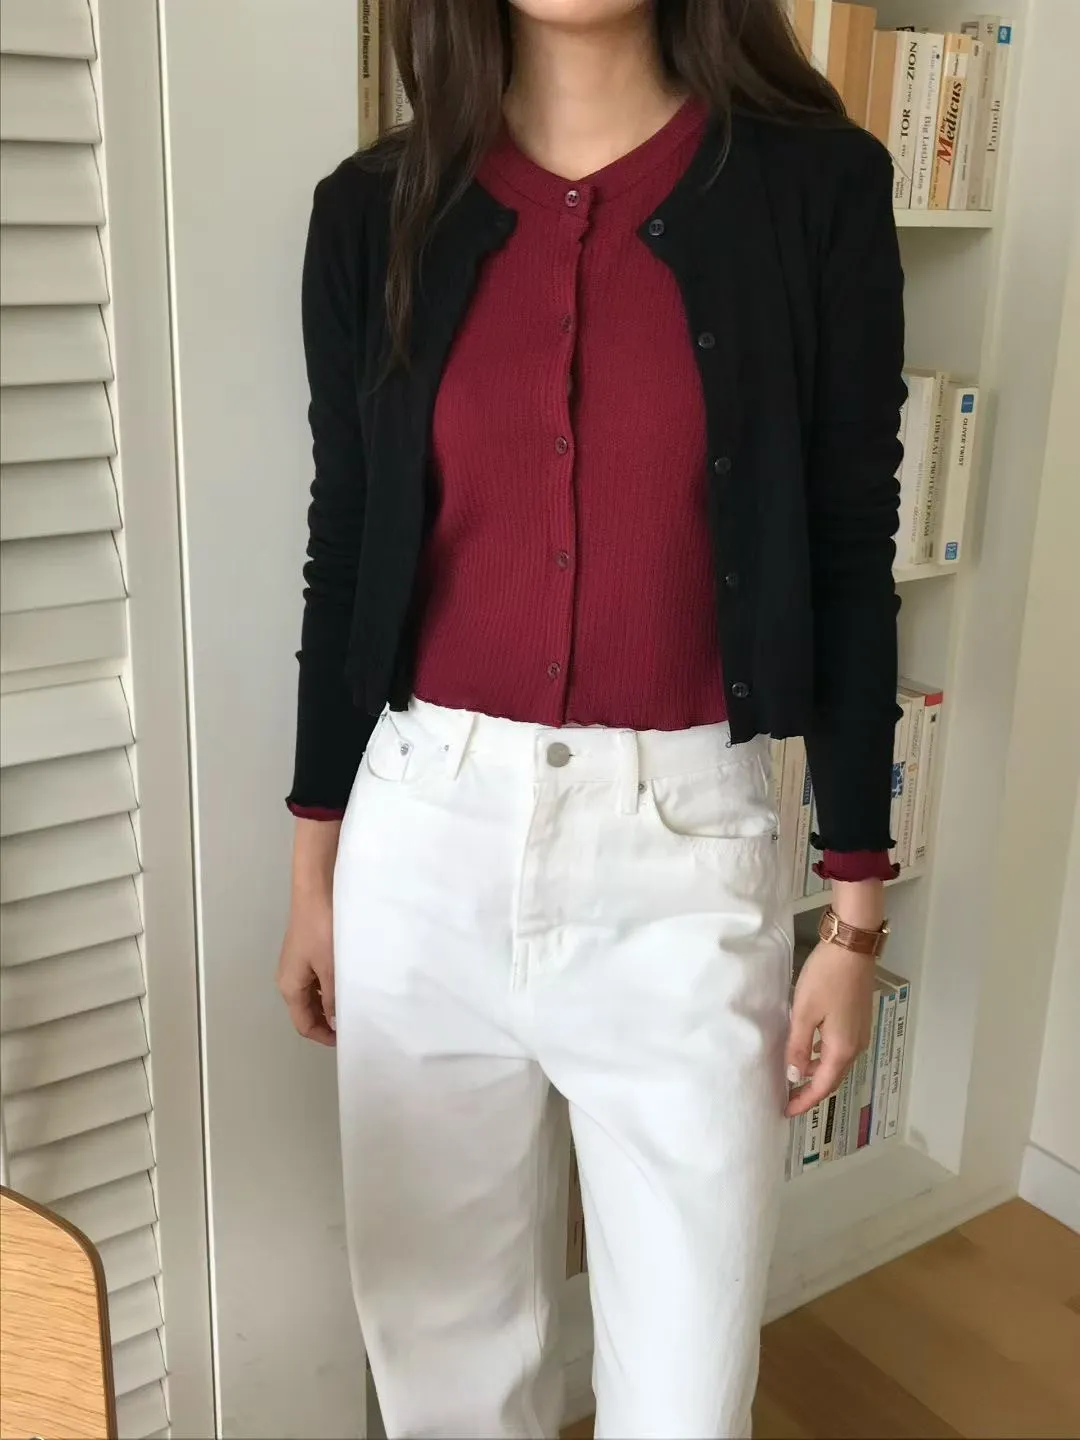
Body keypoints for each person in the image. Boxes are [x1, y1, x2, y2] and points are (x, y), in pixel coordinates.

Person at [277, 1, 904, 1435]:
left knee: (687, 1393)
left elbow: (847, 545)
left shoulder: (817, 188)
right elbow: (346, 544)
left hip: (684, 853)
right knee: (441, 1377)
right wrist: (315, 875)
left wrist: (856, 916)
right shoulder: (372, 211)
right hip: (421, 843)